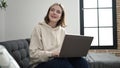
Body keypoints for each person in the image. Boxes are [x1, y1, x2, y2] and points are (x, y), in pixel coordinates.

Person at [29, 3, 90, 68]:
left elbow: (64, 51)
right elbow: (33, 54)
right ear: (48, 12)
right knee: (63, 64)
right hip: (40, 64)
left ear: (61, 17)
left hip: (59, 60)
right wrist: (52, 53)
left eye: (58, 12)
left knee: (82, 62)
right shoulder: (38, 28)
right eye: (52, 10)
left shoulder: (62, 31)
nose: (54, 13)